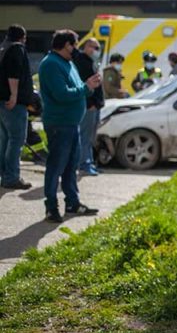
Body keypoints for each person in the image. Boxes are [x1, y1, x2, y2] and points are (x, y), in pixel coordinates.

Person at [38, 29, 102, 223]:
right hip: (59, 124)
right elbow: (62, 94)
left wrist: (89, 87)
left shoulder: (67, 63)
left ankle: (72, 203)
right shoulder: (50, 64)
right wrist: (86, 87)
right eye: (73, 44)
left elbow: (78, 90)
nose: (75, 48)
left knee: (71, 166)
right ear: (65, 44)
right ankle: (51, 206)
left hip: (71, 123)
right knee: (56, 166)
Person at [0, 24, 35, 189]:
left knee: (5, 139)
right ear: (23, 37)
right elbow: (13, 75)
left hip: (2, 101)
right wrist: (14, 96)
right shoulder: (17, 49)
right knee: (16, 139)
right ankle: (11, 177)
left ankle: (4, 174)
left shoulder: (3, 48)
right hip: (12, 103)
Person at [73, 38, 104, 176]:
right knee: (85, 136)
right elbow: (84, 85)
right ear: (85, 46)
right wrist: (90, 103)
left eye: (98, 48)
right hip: (89, 105)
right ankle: (84, 164)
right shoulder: (81, 62)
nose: (96, 51)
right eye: (93, 47)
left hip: (95, 105)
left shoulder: (91, 62)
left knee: (90, 136)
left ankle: (89, 162)